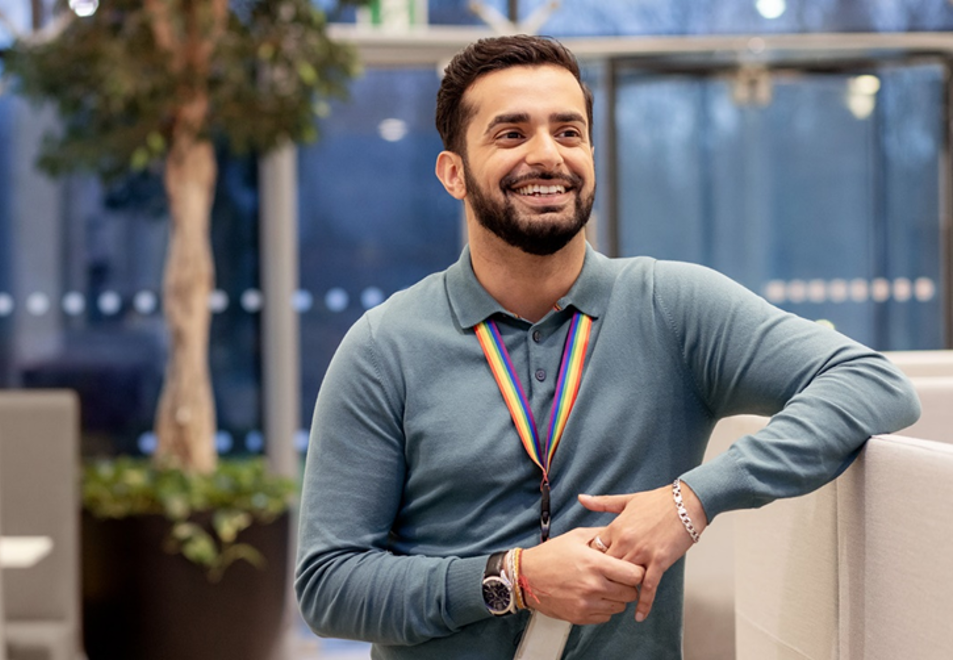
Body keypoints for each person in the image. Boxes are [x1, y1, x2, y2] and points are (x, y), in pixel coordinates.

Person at [294, 34, 920, 659]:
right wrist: (514, 579)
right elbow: (329, 586)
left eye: (568, 133)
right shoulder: (384, 347)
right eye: (511, 134)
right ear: (453, 173)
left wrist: (690, 501)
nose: (547, 155)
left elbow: (871, 383)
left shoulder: (670, 306)